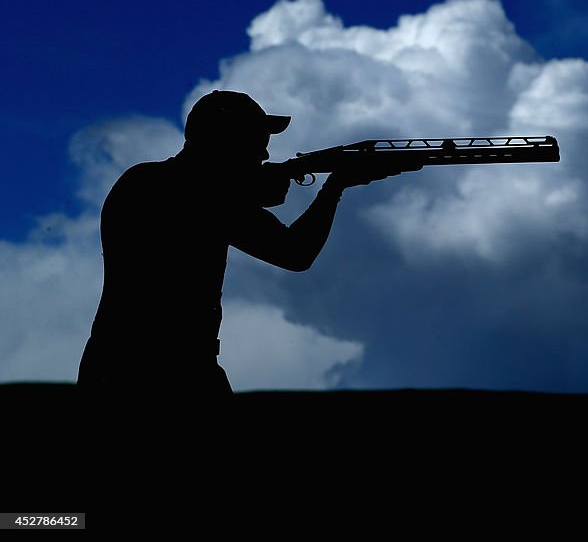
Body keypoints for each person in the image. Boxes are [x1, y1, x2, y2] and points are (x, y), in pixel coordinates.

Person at [76, 90, 415, 401]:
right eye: (255, 143)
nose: (264, 153)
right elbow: (295, 253)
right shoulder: (199, 193)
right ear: (225, 142)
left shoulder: (146, 180)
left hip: (140, 363)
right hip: (156, 370)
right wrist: (335, 186)